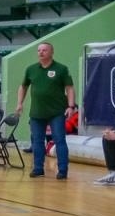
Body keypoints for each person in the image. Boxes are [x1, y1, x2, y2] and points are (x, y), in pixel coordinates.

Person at [15, 41, 76, 179]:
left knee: (59, 140)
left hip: (57, 112)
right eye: (39, 50)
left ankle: (62, 170)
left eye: (44, 50)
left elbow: (70, 88)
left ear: (51, 52)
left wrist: (71, 106)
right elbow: (23, 86)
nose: (41, 52)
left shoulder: (61, 69)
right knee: (37, 141)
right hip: (37, 113)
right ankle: (38, 169)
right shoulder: (31, 69)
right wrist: (19, 103)